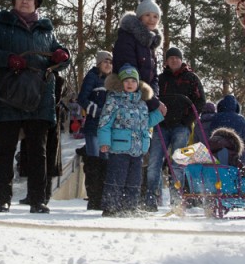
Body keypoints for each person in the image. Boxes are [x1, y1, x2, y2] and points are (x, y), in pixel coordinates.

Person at [0, 0, 70, 214]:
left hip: (40, 98)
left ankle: (38, 200)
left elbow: (62, 59)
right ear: (14, 2)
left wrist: (62, 56)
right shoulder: (0, 26)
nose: (25, 1)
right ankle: (1, 199)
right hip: (7, 96)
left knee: (38, 152)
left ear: (36, 3)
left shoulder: (47, 31)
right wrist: (8, 59)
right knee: (4, 150)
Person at [97, 65, 163, 217]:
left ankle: (130, 207)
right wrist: (104, 142)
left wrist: (158, 115)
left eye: (133, 81)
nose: (130, 84)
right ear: (121, 83)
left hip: (137, 149)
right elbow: (104, 123)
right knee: (117, 177)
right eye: (126, 81)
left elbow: (145, 123)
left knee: (134, 180)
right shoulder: (114, 100)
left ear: (138, 84)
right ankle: (111, 206)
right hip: (119, 147)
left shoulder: (142, 103)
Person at [154, 46, 205, 210]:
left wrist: (187, 120)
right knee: (155, 162)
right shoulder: (160, 79)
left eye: (177, 57)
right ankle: (152, 198)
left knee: (178, 163)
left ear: (181, 60)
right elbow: (152, 98)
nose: (174, 60)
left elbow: (200, 101)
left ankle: (176, 199)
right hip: (161, 125)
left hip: (181, 126)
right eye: (171, 58)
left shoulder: (191, 78)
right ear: (166, 62)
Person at [76, 50, 113, 210]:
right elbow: (82, 98)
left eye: (110, 62)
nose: (108, 64)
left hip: (107, 128)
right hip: (93, 126)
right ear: (98, 63)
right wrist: (97, 111)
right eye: (105, 61)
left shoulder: (113, 81)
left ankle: (102, 197)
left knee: (105, 162)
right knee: (93, 161)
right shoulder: (92, 77)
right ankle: (93, 197)